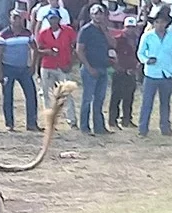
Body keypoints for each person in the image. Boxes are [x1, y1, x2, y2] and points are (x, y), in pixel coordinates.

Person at [137, 11, 172, 137]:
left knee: (165, 103)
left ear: (167, 23)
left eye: (163, 22)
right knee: (147, 103)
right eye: (157, 22)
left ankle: (165, 128)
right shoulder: (147, 36)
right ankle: (143, 129)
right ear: (154, 23)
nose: (160, 25)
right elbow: (140, 53)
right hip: (151, 74)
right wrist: (146, 60)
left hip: (166, 74)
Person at [0, 9, 40, 132]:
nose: (17, 20)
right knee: (8, 96)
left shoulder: (27, 33)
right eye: (14, 18)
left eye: (19, 18)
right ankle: (9, 123)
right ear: (10, 19)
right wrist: (0, 72)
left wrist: (32, 66)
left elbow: (35, 49)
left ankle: (32, 123)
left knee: (31, 95)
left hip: (24, 68)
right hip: (8, 67)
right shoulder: (3, 34)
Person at [76, 3, 116, 135]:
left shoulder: (105, 29)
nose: (98, 16)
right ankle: (84, 127)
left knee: (100, 99)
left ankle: (99, 127)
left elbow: (113, 44)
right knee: (87, 99)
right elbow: (79, 50)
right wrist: (88, 67)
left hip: (103, 67)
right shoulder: (85, 30)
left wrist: (105, 31)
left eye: (101, 14)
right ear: (91, 15)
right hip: (90, 68)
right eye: (95, 14)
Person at [37, 8, 78, 128]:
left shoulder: (68, 31)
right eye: (50, 19)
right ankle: (50, 120)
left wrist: (71, 63)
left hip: (63, 65)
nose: (53, 21)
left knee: (67, 94)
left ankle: (72, 120)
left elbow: (75, 47)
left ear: (59, 19)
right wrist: (47, 52)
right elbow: (38, 49)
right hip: (48, 66)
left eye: (55, 18)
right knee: (46, 94)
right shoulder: (43, 33)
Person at [108, 16, 141, 130]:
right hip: (120, 71)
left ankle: (126, 119)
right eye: (128, 27)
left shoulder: (137, 39)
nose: (130, 30)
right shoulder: (117, 39)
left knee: (129, 96)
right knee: (116, 96)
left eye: (132, 27)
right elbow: (111, 52)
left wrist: (136, 66)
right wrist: (116, 66)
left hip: (131, 71)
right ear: (124, 27)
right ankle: (113, 120)